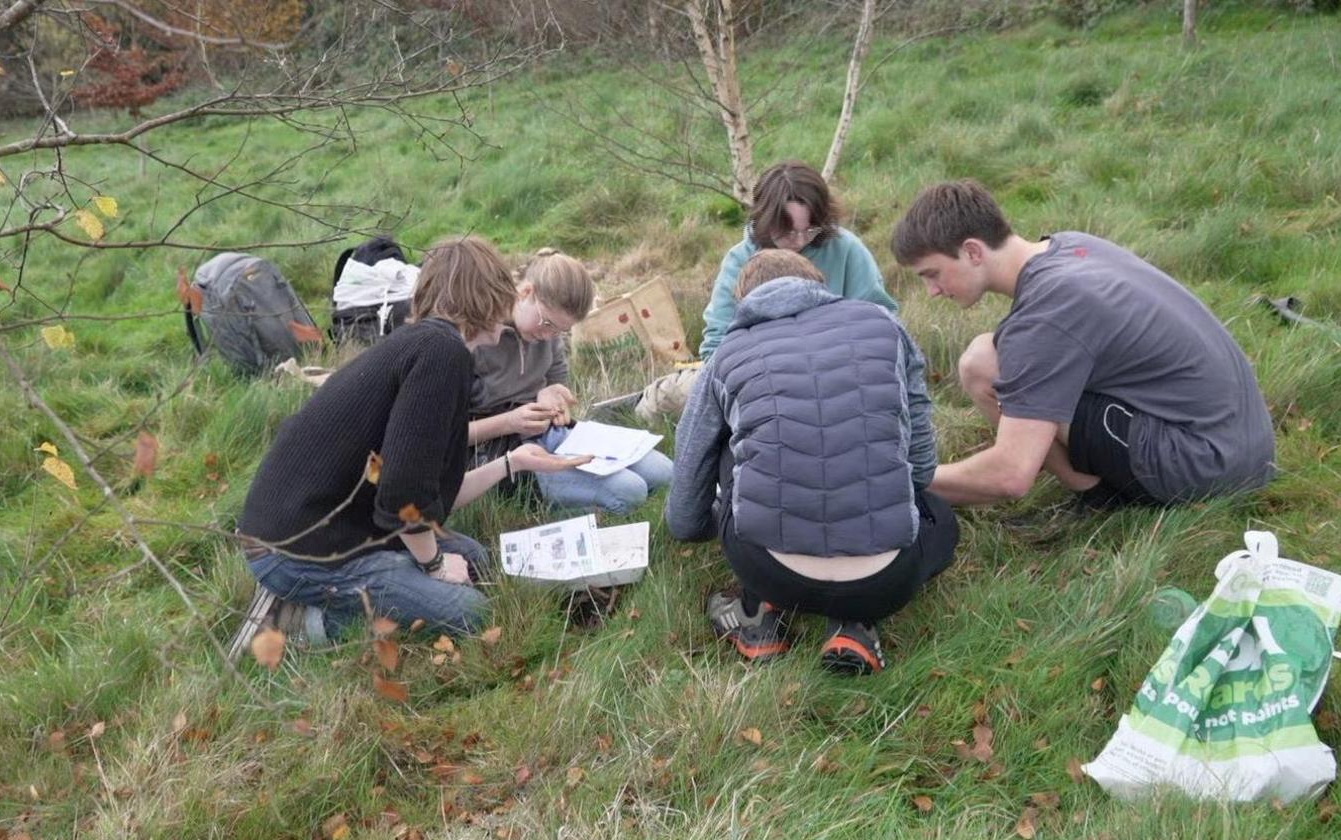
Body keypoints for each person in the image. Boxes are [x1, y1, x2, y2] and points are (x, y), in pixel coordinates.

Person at [238, 236, 590, 639]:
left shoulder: (435, 348)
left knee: (477, 561)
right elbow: (403, 497)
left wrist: (512, 462)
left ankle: (378, 586)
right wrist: (434, 565)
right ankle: (303, 621)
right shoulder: (442, 353)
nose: (508, 309)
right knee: (470, 614)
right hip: (296, 545)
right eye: (501, 295)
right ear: (483, 300)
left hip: (351, 520)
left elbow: (432, 492)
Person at [890, 180, 1275, 508]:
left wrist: (902, 482)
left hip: (1205, 466)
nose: (932, 291)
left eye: (933, 273)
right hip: (1242, 443)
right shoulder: (1071, 246)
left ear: (973, 251)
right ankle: (1092, 481)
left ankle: (1093, 492)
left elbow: (1009, 477)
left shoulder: (1046, 315)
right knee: (986, 358)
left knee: (983, 366)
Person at [665, 250, 958, 675]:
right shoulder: (883, 325)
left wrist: (705, 524)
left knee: (737, 444)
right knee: (941, 519)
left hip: (768, 569)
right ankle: (855, 623)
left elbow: (688, 485)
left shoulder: (726, 356)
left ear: (742, 299)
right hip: (887, 577)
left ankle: (756, 613)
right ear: (820, 286)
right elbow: (920, 467)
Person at [633, 159, 898, 421]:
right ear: (763, 219)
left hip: (838, 375)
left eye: (809, 231)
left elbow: (881, 324)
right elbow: (716, 344)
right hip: (758, 381)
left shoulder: (847, 249)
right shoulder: (739, 259)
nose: (798, 241)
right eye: (786, 232)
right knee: (667, 399)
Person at [468, 248, 673, 513]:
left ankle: (582, 494)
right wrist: (509, 421)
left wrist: (550, 394)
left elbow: (556, 380)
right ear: (525, 293)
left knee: (665, 472)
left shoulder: (548, 332)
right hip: (498, 454)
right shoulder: (476, 337)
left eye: (560, 331)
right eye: (546, 324)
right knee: (630, 490)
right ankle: (551, 513)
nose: (547, 336)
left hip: (550, 434)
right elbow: (447, 435)